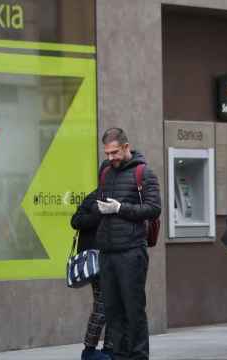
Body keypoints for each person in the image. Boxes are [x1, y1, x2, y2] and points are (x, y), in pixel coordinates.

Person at [95, 127, 161, 360]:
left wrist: (120, 208)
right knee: (112, 311)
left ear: (126, 147)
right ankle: (119, 356)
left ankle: (139, 356)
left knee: (133, 310)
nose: (110, 158)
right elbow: (98, 202)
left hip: (132, 251)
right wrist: (99, 209)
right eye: (107, 153)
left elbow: (154, 209)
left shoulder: (144, 173)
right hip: (108, 251)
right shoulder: (105, 171)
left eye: (114, 153)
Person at [71, 189, 113, 360]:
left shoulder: (119, 194)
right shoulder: (95, 197)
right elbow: (75, 221)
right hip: (96, 261)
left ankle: (110, 349)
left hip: (114, 259)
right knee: (102, 306)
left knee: (114, 307)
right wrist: (98, 214)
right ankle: (88, 351)